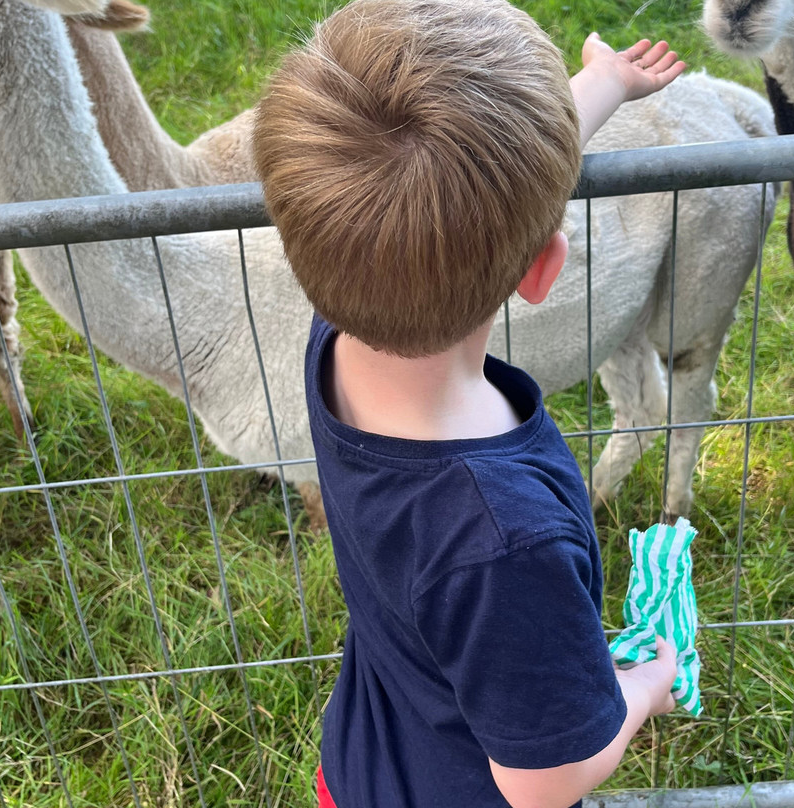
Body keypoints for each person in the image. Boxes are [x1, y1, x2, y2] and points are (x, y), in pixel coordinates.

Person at [254, 1, 685, 806]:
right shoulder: (505, 540)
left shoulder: (340, 334)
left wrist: (598, 86)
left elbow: (460, 193)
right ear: (545, 270)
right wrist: (649, 684)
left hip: (355, 773)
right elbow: (544, 783)